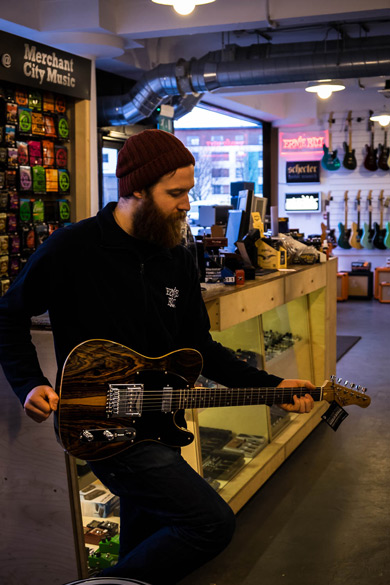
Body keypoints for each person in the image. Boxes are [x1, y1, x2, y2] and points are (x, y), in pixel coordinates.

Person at [0, 129, 314, 584]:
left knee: (143, 547)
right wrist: (30, 382)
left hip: (162, 423)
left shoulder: (177, 258)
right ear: (135, 190)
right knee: (210, 524)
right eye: (176, 193)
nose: (187, 204)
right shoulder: (73, 248)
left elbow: (200, 349)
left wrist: (272, 387)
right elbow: (7, 315)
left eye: (188, 191)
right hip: (100, 427)